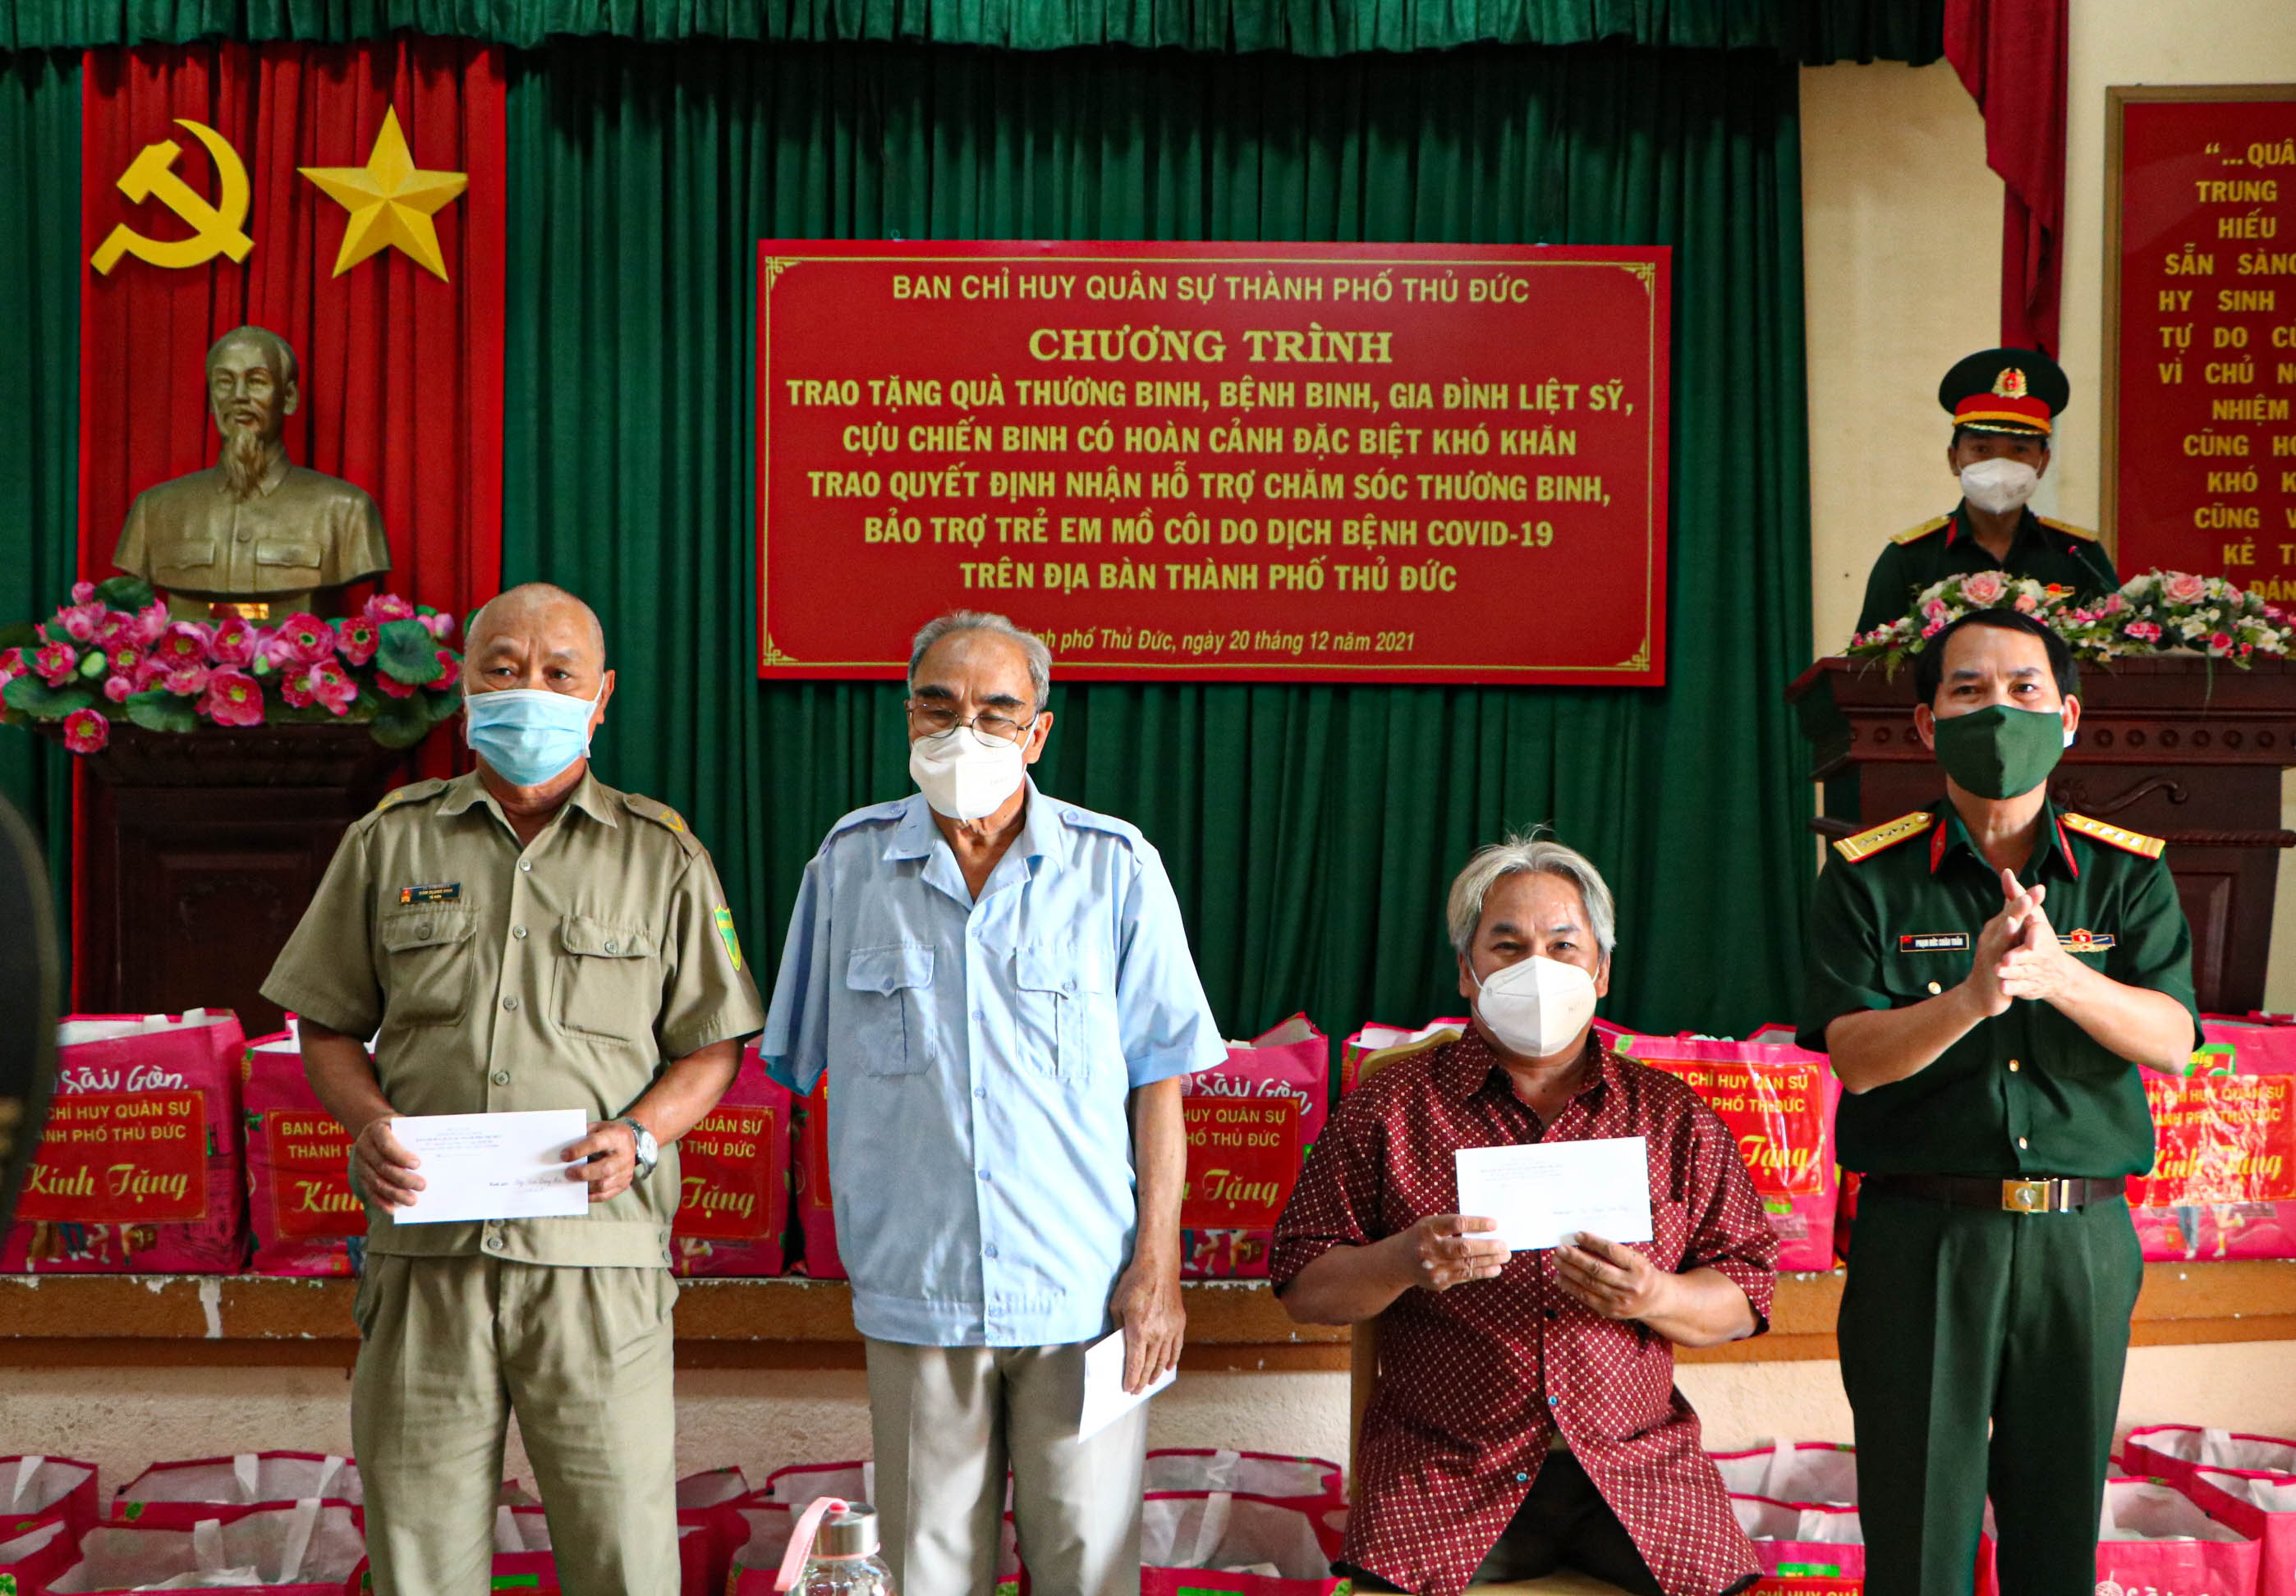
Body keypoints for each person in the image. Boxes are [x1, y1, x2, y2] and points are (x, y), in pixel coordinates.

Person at [260, 582, 765, 1596]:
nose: (528, 689)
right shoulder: (390, 841)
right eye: (503, 669)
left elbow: (712, 1047)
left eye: (558, 673)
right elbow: (326, 1022)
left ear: (602, 697)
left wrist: (642, 1135)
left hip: (597, 1262)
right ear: (465, 687)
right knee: (420, 1560)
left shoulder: (661, 855)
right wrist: (368, 1122)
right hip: (427, 1258)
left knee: (623, 1557)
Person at [761, 609, 1224, 1596]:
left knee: (1087, 1569)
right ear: (908, 717)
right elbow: (795, 1065)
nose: (963, 731)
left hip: (1084, 1291)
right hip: (917, 1288)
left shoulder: (1114, 867)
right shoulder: (848, 867)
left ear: (1037, 732)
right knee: (925, 1573)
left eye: (996, 711)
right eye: (940, 706)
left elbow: (1162, 1080)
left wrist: (1158, 1268)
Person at [1801, 608, 2202, 1596]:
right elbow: (1855, 1057)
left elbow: (2173, 1039)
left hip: (2081, 1246)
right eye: (1968, 690)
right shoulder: (1867, 877)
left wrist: (2061, 977)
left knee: (2058, 1539)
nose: (1998, 711)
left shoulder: (2127, 872)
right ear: (1928, 724)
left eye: (2024, 690)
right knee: (1918, 1541)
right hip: (1923, 1239)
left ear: (2066, 716)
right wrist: (1973, 998)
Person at [1273, 836, 1776, 1596]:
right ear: (1467, 971)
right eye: (1507, 947)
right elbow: (1303, 1287)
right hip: (1444, 1473)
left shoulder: (1673, 1117)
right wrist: (1401, 1261)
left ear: (1601, 972)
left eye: (1564, 946)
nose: (1537, 969)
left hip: (1636, 1468)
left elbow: (1747, 1293)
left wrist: (1656, 1296)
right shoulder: (1389, 1108)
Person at [113, 326, 392, 621]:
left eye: (257, 381)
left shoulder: (346, 511)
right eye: (224, 382)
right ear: (211, 400)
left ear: (289, 398)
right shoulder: (154, 510)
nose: (239, 396)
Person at [1853, 346, 2117, 637]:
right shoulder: (1909, 560)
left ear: (2043, 462)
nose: (2000, 465)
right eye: (1982, 449)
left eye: (2019, 450)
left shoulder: (2079, 555)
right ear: (1954, 459)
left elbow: (2119, 647)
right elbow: (1868, 657)